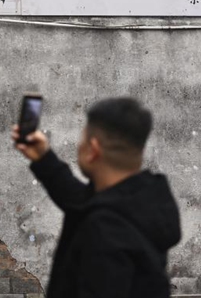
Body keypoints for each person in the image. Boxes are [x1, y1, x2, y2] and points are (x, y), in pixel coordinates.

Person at [11, 97, 181, 298]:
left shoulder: (103, 231)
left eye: (82, 139)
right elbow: (81, 200)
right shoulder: (142, 202)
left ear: (93, 149)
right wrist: (43, 158)